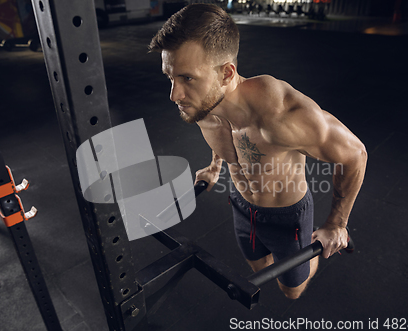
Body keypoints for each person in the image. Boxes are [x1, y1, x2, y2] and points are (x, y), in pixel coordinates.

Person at [148, 4, 367, 299]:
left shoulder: (281, 114)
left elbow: (355, 154)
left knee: (291, 290)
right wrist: (215, 166)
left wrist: (336, 225)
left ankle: (313, 246)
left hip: (288, 214)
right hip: (241, 206)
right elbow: (219, 135)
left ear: (226, 73)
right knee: (258, 267)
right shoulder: (200, 102)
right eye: (170, 77)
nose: (174, 95)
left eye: (187, 78)